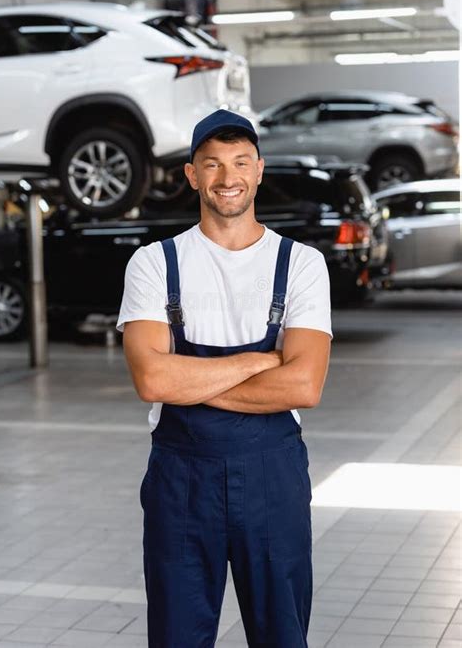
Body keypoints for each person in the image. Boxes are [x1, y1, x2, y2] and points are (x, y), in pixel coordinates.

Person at [117, 109, 332, 647]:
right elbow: (152, 380)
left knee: (282, 635)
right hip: (181, 478)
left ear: (259, 169)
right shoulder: (154, 263)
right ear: (192, 174)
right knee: (177, 637)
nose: (227, 176)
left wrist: (190, 380)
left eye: (240, 162)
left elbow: (304, 386)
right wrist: (261, 362)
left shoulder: (301, 263)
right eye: (211, 164)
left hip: (272, 476)